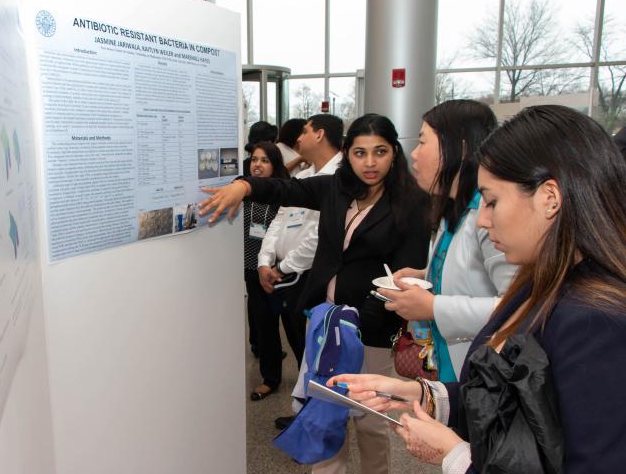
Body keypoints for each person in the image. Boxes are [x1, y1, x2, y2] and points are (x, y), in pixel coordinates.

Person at [328, 105, 626, 473]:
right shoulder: (540, 282)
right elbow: (516, 402)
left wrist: (454, 455)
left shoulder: (596, 321)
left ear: (550, 198)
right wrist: (422, 394)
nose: (483, 219)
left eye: (493, 201)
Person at [200, 113, 431, 474]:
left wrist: (358, 321)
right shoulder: (337, 189)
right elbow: (286, 189)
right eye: (359, 153)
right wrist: (244, 186)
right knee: (323, 413)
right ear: (347, 153)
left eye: (380, 151)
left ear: (394, 153)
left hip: (368, 330)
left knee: (369, 421)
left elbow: (406, 274)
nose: (369, 163)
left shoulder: (411, 203)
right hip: (323, 320)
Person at [379, 100, 516, 380]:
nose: (413, 155)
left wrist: (432, 307)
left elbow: (518, 305)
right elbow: (466, 273)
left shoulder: (488, 214)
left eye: (422, 142)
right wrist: (423, 275)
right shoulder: (453, 208)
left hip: (483, 369)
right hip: (450, 360)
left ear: (460, 147)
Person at [252, 115, 344, 401]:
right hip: (286, 276)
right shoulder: (303, 177)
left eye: (304, 131)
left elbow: (320, 236)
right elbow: (278, 222)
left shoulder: (341, 179)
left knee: (314, 350)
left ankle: (315, 410)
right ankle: (305, 407)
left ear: (319, 134)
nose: (297, 139)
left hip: (312, 279)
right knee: (299, 347)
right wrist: (264, 261)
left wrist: (282, 267)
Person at [243, 143, 289, 362]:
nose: (257, 165)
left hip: (274, 267)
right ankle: (258, 346)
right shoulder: (243, 190)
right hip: (249, 263)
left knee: (271, 315)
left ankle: (270, 354)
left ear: (274, 164)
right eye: (254, 160)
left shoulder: (282, 192)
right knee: (255, 310)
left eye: (264, 160)